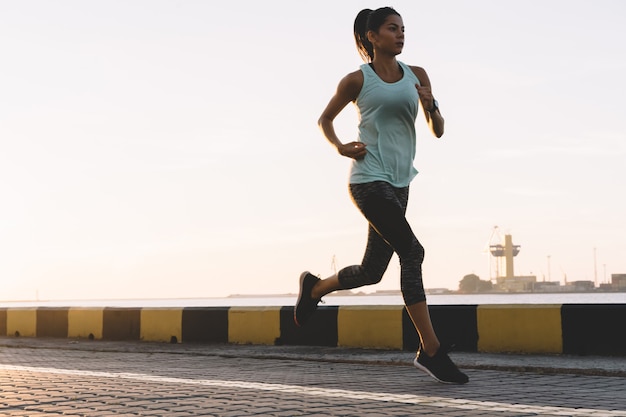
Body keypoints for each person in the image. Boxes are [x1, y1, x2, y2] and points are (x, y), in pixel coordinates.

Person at [294, 7, 468, 385]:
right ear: (372, 36)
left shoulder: (417, 76)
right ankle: (431, 350)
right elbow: (324, 119)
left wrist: (431, 104)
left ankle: (314, 287)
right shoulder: (358, 80)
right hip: (368, 180)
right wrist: (340, 146)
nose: (400, 35)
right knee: (413, 251)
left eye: (403, 29)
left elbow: (437, 130)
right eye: (392, 29)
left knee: (372, 271)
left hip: (401, 182)